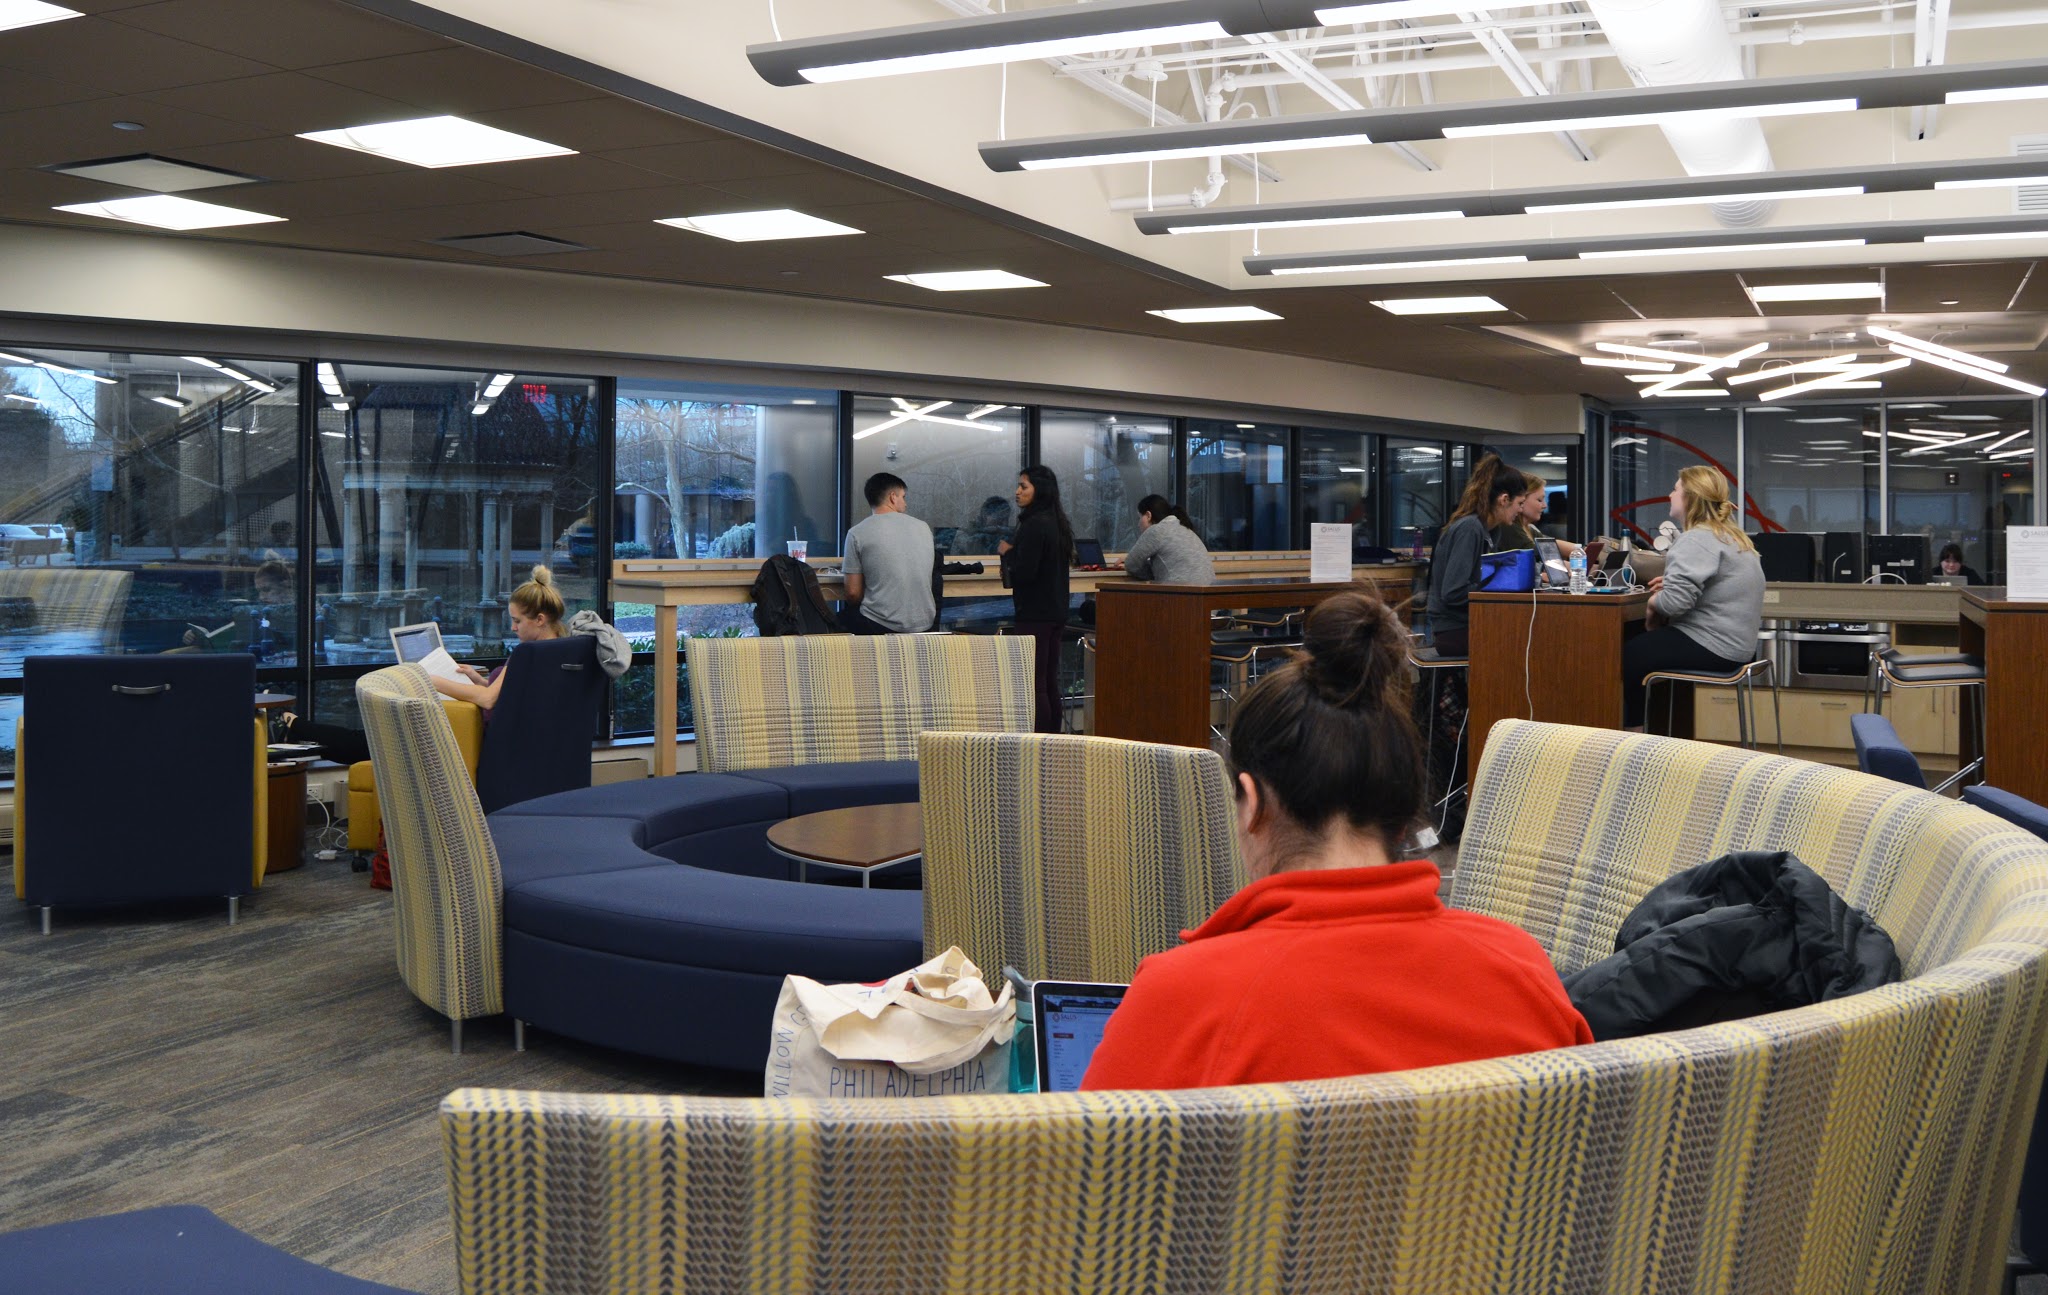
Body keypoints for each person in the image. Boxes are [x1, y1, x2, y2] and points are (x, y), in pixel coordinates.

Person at [1081, 591, 1593, 1090]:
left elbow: (1087, 1169)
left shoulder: (1181, 1001)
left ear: (1251, 803)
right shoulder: (1522, 973)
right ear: (1401, 817)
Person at [1621, 467, 1766, 731]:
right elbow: (1719, 587)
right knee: (1647, 648)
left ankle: (1633, 737)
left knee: (1631, 653)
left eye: (1675, 490)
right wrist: (1674, 586)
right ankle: (1664, 734)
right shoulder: (1730, 536)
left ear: (1689, 498)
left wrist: (1654, 602)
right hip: (1739, 648)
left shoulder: (1696, 538)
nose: (1670, 495)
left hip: (1716, 647)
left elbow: (1675, 604)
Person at [433, 565, 569, 720]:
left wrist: (433, 681)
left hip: (503, 737)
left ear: (539, 619)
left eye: (517, 621)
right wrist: (480, 681)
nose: (513, 628)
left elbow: (488, 699)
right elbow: (516, 696)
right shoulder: (564, 648)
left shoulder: (527, 654)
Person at [1425, 453, 1524, 659]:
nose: (1520, 511)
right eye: (1520, 504)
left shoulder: (1490, 531)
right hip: (1455, 630)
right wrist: (1499, 586)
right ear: (1504, 500)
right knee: (1524, 642)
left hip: (1470, 623)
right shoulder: (1470, 529)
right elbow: (1453, 592)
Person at [998, 465, 1072, 734]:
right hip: (1056, 611)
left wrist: (1008, 553)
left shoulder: (1032, 524)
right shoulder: (1057, 522)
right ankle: (1053, 736)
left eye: (1024, 486)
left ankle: (1039, 739)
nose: (1017, 492)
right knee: (1048, 680)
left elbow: (1025, 573)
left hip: (1034, 613)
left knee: (1034, 681)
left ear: (1039, 490)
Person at [841, 471, 936, 634]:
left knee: (837, 621)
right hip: (926, 623)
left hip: (880, 624)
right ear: (893, 497)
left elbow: (852, 593)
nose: (905, 504)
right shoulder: (923, 527)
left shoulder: (857, 532)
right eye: (903, 497)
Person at [1120, 494, 1213, 584]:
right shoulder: (1185, 529)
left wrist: (1153, 573)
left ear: (1148, 515)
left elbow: (1131, 564)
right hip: (1210, 593)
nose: (1138, 523)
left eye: (1139, 517)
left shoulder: (1156, 530)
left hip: (1182, 593)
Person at [1493, 472, 1581, 559]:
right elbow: (1540, 556)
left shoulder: (1529, 529)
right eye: (1539, 500)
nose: (1545, 505)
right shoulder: (1509, 527)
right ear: (1523, 498)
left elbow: (1551, 544)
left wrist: (1583, 550)